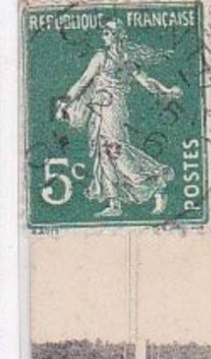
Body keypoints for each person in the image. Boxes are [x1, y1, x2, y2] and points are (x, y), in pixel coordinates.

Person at [55, 20, 181, 218]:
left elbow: (146, 81)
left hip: (114, 109)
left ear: (116, 35)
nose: (103, 36)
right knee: (104, 154)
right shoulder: (102, 57)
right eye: (103, 32)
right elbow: (83, 82)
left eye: (106, 32)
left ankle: (155, 182)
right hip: (100, 109)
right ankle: (114, 204)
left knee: (115, 150)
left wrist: (165, 91)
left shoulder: (123, 58)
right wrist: (66, 101)